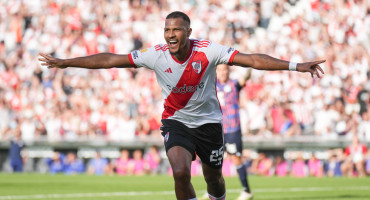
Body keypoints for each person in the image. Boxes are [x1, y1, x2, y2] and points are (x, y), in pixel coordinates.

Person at [39, 11, 325, 200]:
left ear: (189, 31)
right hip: (176, 122)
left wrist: (296, 66)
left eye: (176, 29)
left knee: (214, 180)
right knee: (179, 172)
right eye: (167, 30)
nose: (171, 35)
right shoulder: (155, 55)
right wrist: (66, 62)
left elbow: (252, 60)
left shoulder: (208, 50)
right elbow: (109, 59)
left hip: (210, 124)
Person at [214, 64, 253, 200]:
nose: (223, 72)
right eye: (220, 70)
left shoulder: (234, 84)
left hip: (232, 128)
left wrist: (250, 69)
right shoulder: (212, 85)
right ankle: (213, 190)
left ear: (228, 71)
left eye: (225, 69)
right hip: (217, 129)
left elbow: (245, 78)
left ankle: (247, 190)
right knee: (213, 161)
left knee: (236, 158)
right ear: (216, 72)